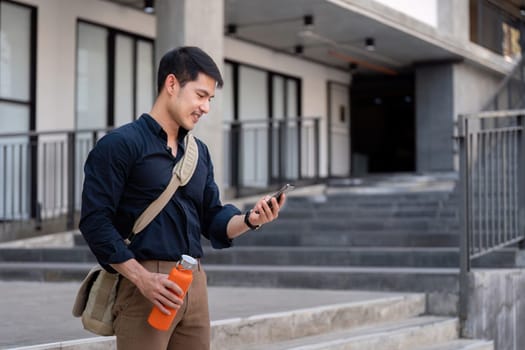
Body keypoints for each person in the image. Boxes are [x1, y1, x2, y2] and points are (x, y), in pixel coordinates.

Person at [79, 46, 285, 350]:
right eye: (201, 96)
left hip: (194, 285)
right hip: (144, 286)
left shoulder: (198, 153)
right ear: (172, 84)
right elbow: (95, 222)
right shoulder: (119, 145)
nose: (206, 108)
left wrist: (250, 220)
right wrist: (142, 279)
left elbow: (212, 218)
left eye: (210, 99)